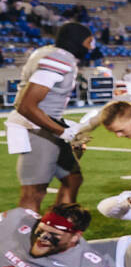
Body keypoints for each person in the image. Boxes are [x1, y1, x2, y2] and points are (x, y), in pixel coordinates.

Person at [6, 21, 92, 212]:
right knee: (34, 193)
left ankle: (57, 228)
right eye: (89, 41)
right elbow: (26, 106)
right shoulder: (58, 59)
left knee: (73, 178)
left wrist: (63, 126)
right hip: (36, 128)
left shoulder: (49, 53)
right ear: (77, 41)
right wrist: (63, 131)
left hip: (48, 125)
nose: (90, 47)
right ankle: (22, 239)